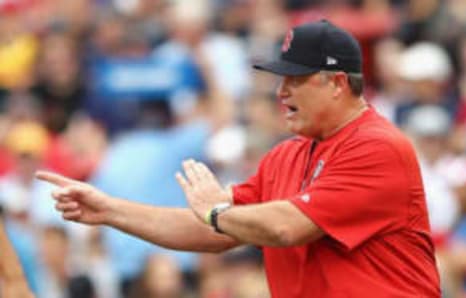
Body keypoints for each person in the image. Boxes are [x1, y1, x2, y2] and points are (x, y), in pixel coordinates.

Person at [36, 20, 441, 297]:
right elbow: (213, 230)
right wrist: (110, 210)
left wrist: (215, 211)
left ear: (337, 84)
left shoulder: (376, 146)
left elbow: (285, 227)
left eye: (294, 79)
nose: (281, 92)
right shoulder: (286, 155)